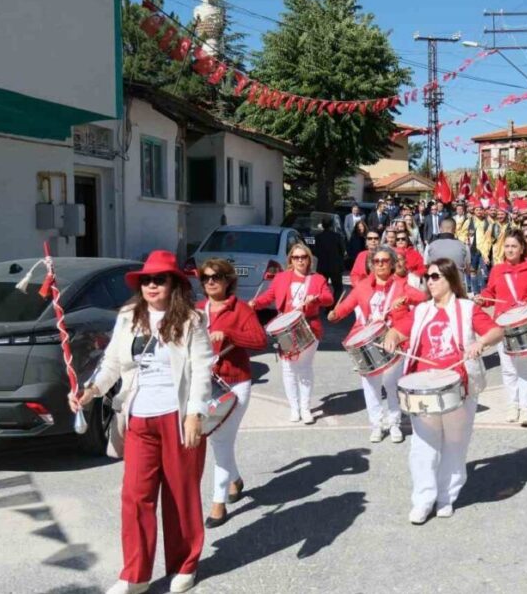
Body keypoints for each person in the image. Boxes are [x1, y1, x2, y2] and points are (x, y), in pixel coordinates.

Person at [69, 250, 213, 594]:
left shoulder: (192, 321)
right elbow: (113, 363)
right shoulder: (129, 316)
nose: (151, 285)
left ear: (174, 283)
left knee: (181, 496)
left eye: (159, 279)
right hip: (138, 417)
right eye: (146, 280)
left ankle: (184, 565)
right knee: (135, 497)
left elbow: (203, 369)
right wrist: (91, 390)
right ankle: (135, 575)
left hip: (178, 418)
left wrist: (195, 413)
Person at [384, 258, 504, 524]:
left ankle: (446, 497)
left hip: (458, 386)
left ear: (450, 279)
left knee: (454, 445)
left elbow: (496, 331)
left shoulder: (466, 308)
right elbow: (396, 332)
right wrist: (391, 339)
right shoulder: (421, 311)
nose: (430, 281)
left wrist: (480, 343)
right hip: (423, 388)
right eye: (427, 276)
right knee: (422, 446)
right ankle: (423, 500)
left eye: (436, 276)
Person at [196, 259, 267, 530]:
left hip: (235, 385)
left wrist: (229, 334)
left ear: (227, 280)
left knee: (221, 440)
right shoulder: (198, 310)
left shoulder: (241, 309)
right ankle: (235, 480)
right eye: (206, 278)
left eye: (216, 277)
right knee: (217, 440)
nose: (210, 282)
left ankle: (218, 502)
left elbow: (260, 340)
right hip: (205, 384)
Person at [328, 246, 425, 443]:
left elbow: (425, 301)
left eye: (385, 261)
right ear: (371, 265)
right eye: (377, 261)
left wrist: (406, 299)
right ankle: (377, 424)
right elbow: (346, 307)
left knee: (392, 384)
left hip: (393, 340)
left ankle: (394, 423)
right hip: (367, 341)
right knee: (370, 386)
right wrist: (333, 314)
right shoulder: (362, 286)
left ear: (391, 264)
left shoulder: (401, 285)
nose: (380, 264)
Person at [250, 243, 334, 423]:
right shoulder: (281, 278)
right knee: (288, 369)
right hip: (286, 328)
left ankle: (305, 408)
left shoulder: (317, 279)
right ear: (291, 260)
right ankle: (294, 408)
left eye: (303, 257)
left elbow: (329, 299)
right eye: (296, 257)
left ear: (309, 259)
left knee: (304, 368)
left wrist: (316, 298)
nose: (300, 261)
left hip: (309, 326)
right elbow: (269, 296)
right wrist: (254, 304)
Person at [478, 231, 527, 427]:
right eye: (507, 246)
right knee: (508, 369)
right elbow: (489, 292)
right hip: (503, 324)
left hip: (525, 323)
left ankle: (526, 409)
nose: (510, 250)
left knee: (526, 368)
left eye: (514, 246)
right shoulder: (497, 270)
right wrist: (482, 298)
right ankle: (512, 404)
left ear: (521, 249)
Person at [312, 218, 345, 308]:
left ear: (322, 226)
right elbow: (342, 250)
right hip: (335, 265)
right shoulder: (337, 236)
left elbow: (316, 251)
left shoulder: (318, 237)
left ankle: (324, 304)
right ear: (331, 226)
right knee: (338, 287)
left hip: (323, 265)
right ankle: (334, 306)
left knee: (323, 286)